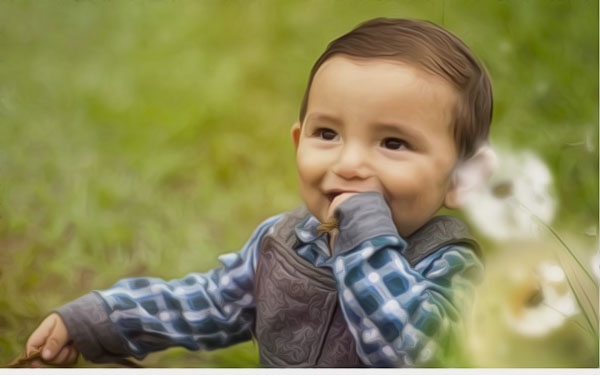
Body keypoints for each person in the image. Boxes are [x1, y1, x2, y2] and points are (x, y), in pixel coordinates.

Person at [24, 17, 496, 368]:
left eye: (393, 143)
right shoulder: (282, 242)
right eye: (327, 134)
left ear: (461, 179)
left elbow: (417, 354)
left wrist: (365, 243)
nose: (348, 164)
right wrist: (101, 318)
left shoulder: (450, 267)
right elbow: (209, 304)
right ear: (298, 143)